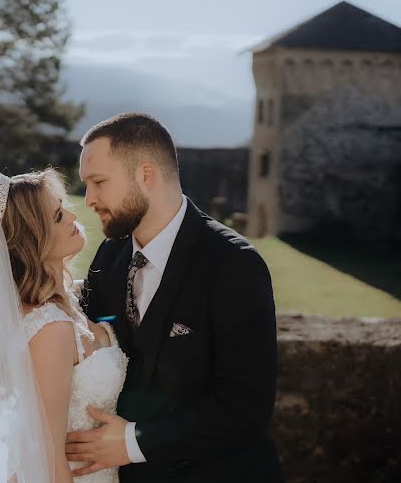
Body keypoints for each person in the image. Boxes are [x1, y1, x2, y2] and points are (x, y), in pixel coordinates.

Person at [66, 112, 284, 482]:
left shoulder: (234, 266)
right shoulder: (109, 255)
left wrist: (135, 443)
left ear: (146, 175)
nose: (89, 199)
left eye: (98, 182)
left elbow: (246, 406)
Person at [0, 169, 128, 482]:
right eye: (58, 215)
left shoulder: (65, 303)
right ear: (35, 240)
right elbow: (48, 461)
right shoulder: (51, 329)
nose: (73, 214)